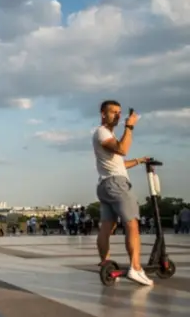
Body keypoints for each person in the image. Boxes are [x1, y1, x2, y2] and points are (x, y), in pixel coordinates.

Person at [92, 100, 151, 286]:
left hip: (105, 184)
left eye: (120, 112)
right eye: (113, 112)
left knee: (107, 227)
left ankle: (106, 264)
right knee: (132, 224)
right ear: (103, 114)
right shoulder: (102, 132)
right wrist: (130, 127)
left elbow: (120, 164)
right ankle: (136, 268)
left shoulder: (108, 136)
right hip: (116, 184)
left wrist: (139, 161)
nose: (118, 115)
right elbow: (122, 149)